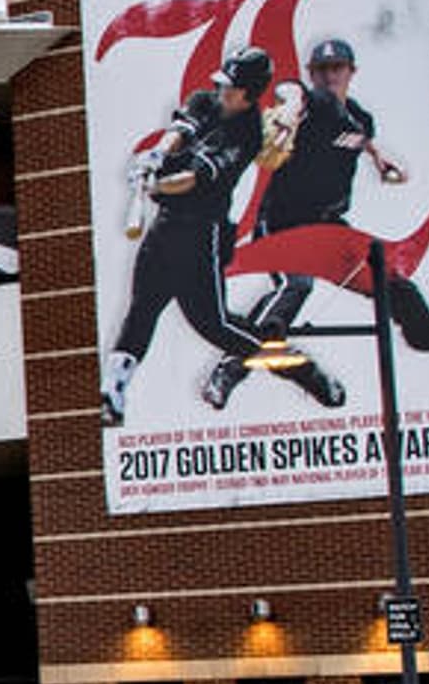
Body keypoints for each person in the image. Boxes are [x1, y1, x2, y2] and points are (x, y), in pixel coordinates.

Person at [102, 47, 338, 425]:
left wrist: (155, 184)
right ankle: (113, 393)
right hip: (164, 228)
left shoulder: (246, 134)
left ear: (249, 94)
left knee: (216, 327)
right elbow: (180, 132)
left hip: (199, 237)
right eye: (223, 84)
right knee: (142, 309)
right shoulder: (204, 101)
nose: (223, 93)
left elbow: (192, 179)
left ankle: (298, 368)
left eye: (232, 88)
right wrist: (154, 157)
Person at [218, 35, 429, 388]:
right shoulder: (313, 101)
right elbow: (291, 90)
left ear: (351, 71)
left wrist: (378, 156)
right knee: (295, 287)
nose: (329, 75)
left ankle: (426, 336)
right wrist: (289, 106)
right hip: (285, 225)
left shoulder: (360, 118)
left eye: (337, 68)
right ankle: (232, 365)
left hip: (329, 230)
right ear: (312, 74)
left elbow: (356, 135)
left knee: (389, 279)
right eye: (321, 69)